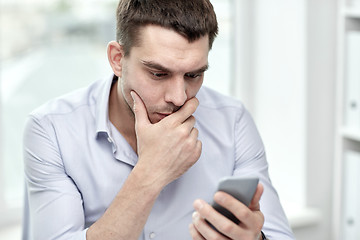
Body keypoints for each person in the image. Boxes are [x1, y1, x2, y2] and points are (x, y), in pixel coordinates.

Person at [22, 0, 295, 239]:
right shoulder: (51, 129)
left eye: (193, 75)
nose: (178, 97)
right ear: (118, 59)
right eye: (158, 74)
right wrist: (151, 171)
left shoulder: (232, 121)